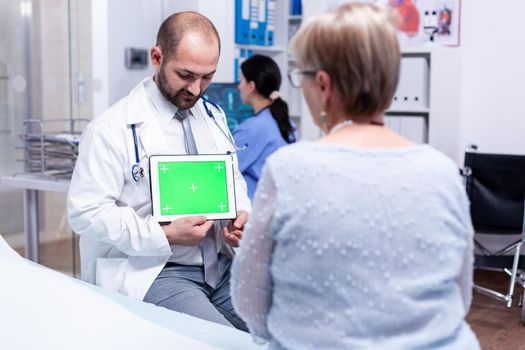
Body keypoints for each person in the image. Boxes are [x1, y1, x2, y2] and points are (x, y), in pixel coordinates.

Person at [231, 3, 480, 349]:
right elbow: (460, 296)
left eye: (299, 77)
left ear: (323, 85)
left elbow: (250, 302)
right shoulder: (443, 171)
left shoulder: (290, 169)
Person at [67, 12, 250, 331]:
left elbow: (231, 177)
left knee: (278, 331)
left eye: (207, 77)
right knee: (221, 340)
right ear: (157, 57)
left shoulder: (213, 116)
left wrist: (241, 214)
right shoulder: (111, 129)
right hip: (157, 269)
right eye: (186, 74)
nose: (196, 89)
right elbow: (85, 212)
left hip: (220, 265)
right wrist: (163, 234)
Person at [233, 54, 296, 199]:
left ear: (251, 86)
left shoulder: (252, 129)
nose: (238, 86)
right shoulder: (287, 123)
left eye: (241, 80)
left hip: (254, 212)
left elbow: (223, 171)